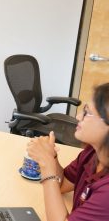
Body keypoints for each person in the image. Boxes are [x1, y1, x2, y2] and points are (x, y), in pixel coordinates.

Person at [27, 83, 109, 221]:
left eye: (87, 113)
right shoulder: (93, 153)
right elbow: (63, 184)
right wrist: (51, 156)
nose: (78, 116)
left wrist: (47, 166)